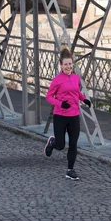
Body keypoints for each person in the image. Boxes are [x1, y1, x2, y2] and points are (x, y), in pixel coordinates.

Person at [44, 48, 91, 180]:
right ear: (61, 65)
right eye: (65, 64)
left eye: (70, 64)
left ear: (73, 64)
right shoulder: (57, 80)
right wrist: (60, 103)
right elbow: (49, 97)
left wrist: (84, 99)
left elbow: (77, 93)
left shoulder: (76, 78)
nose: (68, 66)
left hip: (74, 115)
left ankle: (70, 170)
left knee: (73, 144)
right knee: (61, 145)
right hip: (60, 115)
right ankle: (53, 143)